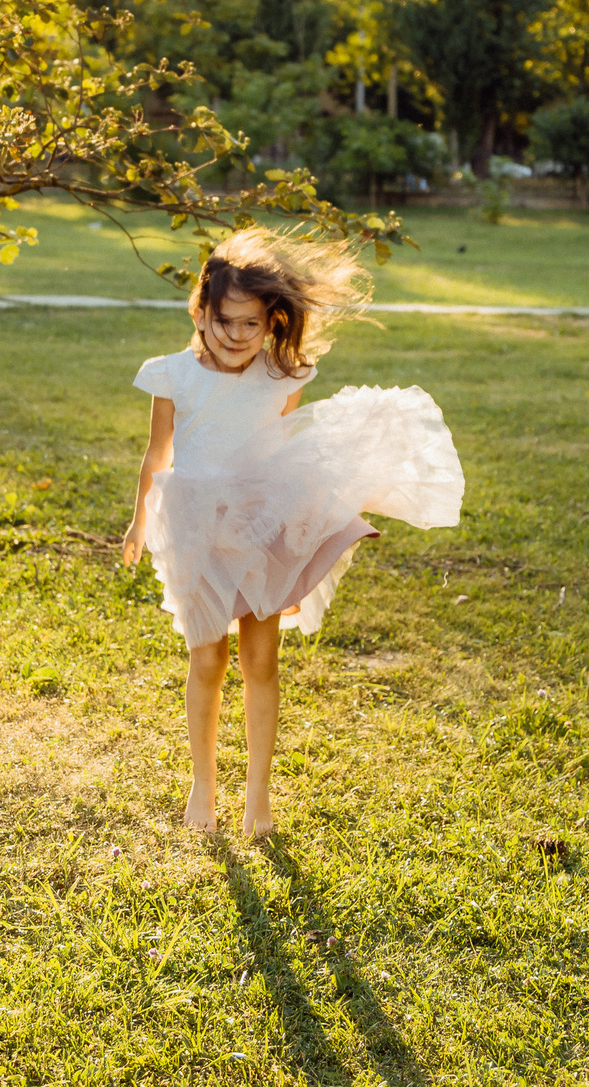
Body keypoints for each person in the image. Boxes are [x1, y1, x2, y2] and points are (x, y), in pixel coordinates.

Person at [119, 228, 464, 838]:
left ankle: (258, 795)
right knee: (208, 658)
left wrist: (322, 510)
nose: (236, 336)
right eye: (225, 321)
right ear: (200, 309)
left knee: (260, 659)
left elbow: (283, 452)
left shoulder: (282, 375)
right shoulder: (171, 375)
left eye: (252, 325)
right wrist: (138, 523)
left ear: (272, 321)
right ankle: (203, 784)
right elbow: (157, 456)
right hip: (197, 527)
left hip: (259, 528)